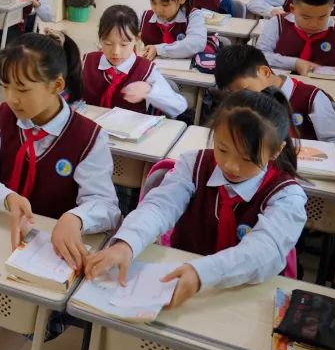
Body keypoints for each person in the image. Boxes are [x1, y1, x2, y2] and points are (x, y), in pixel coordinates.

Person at [0, 32, 119, 350]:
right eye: (6, 86)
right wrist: (6, 197)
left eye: (22, 89)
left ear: (56, 85)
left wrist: (75, 218)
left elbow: (105, 205)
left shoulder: (88, 137)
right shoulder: (0, 116)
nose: (12, 98)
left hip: (44, 267)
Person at [85, 90, 306, 309]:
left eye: (247, 159)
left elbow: (263, 251)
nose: (231, 165)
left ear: (276, 151)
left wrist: (202, 273)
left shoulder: (286, 196)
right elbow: (160, 207)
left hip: (246, 296)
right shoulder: (193, 165)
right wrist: (127, 243)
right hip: (179, 281)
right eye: (223, 149)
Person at [215, 44, 335, 154]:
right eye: (233, 94)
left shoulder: (310, 98)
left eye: (245, 90)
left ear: (264, 72)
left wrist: (303, 153)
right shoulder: (239, 100)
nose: (241, 99)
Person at [81, 5, 187, 117]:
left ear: (137, 38)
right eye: (108, 43)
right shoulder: (87, 62)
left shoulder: (145, 69)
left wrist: (149, 90)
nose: (116, 52)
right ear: (100, 38)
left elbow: (179, 106)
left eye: (124, 44)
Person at [139, 0, 208, 60]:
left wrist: (159, 49)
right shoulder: (144, 17)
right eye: (153, 3)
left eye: (165, 5)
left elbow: (196, 44)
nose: (158, 10)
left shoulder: (193, 16)